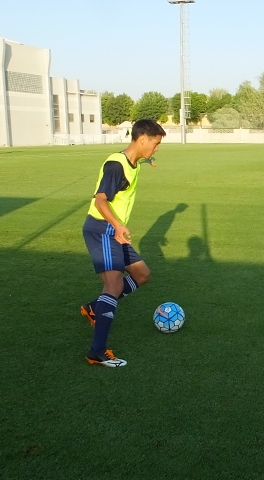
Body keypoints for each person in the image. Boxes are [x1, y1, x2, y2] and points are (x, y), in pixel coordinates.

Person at [80, 119, 167, 367]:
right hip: (102, 229)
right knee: (113, 285)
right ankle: (96, 352)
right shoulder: (116, 166)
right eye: (155, 143)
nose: (157, 148)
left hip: (114, 231)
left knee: (142, 274)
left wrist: (149, 160)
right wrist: (117, 225)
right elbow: (100, 201)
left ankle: (95, 308)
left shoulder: (133, 162)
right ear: (142, 140)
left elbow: (137, 161)